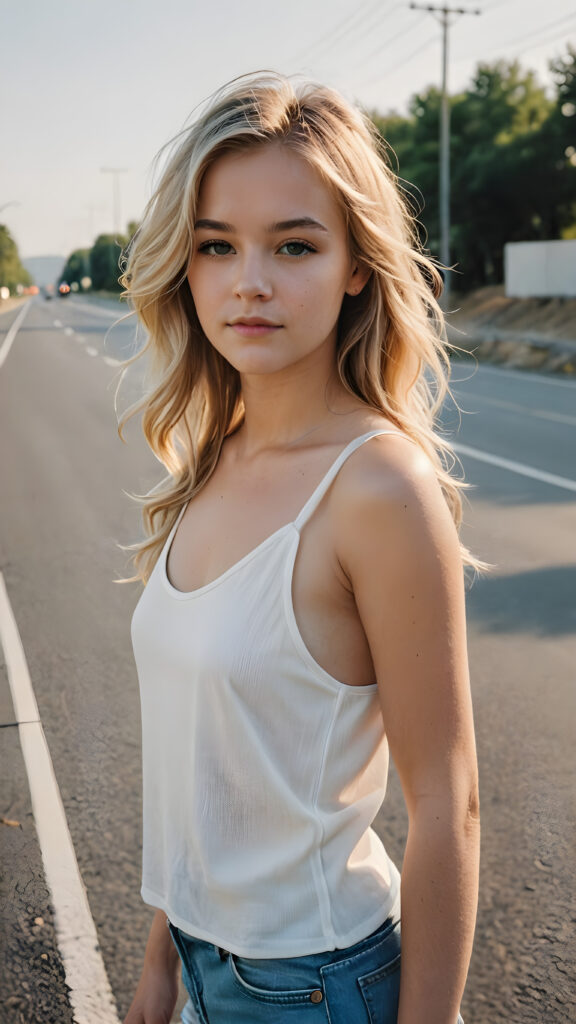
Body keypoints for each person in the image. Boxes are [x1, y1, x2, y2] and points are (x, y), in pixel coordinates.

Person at [121, 71, 484, 1024]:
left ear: (356, 265)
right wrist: (161, 964)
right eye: (216, 245)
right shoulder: (213, 456)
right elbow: (208, 770)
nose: (250, 281)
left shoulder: (379, 489)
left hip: (317, 987)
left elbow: (448, 802)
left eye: (294, 245)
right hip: (200, 963)